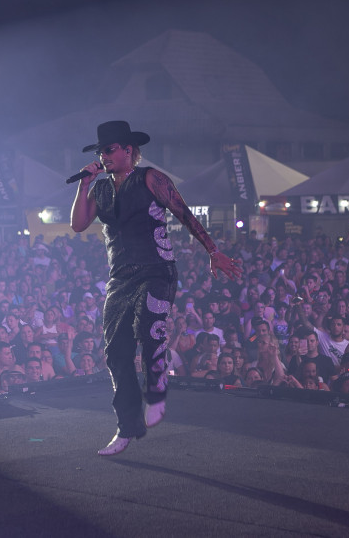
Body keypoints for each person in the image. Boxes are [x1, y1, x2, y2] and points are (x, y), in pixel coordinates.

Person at [70, 121, 242, 456]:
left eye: (108, 150)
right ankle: (127, 426)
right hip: (120, 277)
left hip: (157, 271)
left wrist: (213, 250)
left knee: (149, 331)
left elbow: (184, 213)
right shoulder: (101, 189)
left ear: (128, 150)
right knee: (115, 353)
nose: (103, 157)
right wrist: (84, 184)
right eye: (99, 152)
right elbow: (78, 224)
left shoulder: (151, 178)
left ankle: (157, 391)